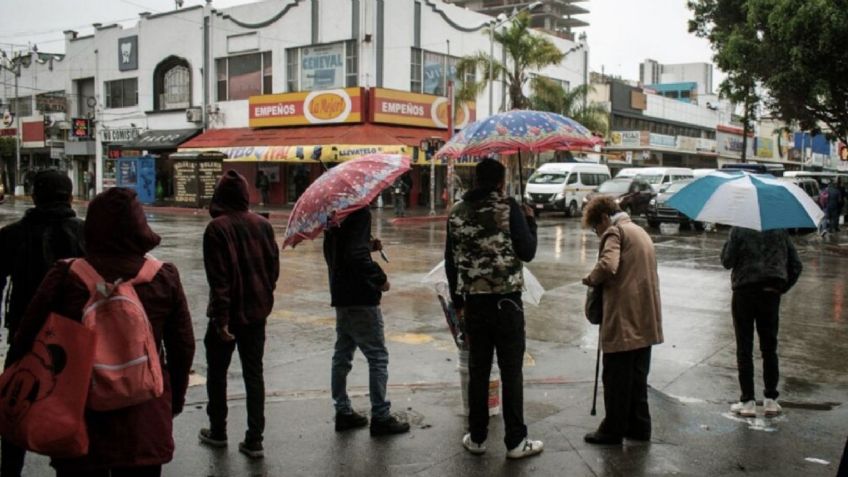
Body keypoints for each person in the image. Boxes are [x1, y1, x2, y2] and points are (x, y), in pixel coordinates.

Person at [8, 187, 195, 477]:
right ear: (139, 226)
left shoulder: (66, 276)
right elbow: (182, 346)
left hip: (79, 414)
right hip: (143, 415)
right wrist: (174, 398)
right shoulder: (163, 277)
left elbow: (25, 338)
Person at [445, 159, 543, 459]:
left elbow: (450, 263)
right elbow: (527, 252)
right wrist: (529, 221)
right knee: (511, 372)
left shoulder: (457, 212)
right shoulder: (508, 207)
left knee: (479, 371)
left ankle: (476, 438)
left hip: (474, 304)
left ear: (476, 180)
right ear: (500, 182)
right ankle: (515, 441)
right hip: (508, 304)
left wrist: (458, 304)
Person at [0, 170, 86, 477]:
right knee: (73, 407)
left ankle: (10, 469)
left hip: (25, 335)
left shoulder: (12, 235)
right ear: (69, 195)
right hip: (76, 339)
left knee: (15, 405)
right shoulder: (85, 233)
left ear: (35, 196)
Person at [198, 170, 279, 459]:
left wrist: (221, 320)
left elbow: (219, 281)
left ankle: (218, 431)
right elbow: (273, 271)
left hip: (228, 318)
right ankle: (254, 439)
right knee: (254, 375)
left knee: (217, 375)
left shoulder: (217, 229)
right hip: (257, 314)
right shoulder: (263, 225)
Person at [581, 196, 663, 445]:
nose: (598, 234)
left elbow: (608, 265)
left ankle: (612, 429)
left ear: (604, 218)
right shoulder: (639, 231)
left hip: (624, 317)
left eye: (596, 228)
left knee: (616, 376)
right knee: (637, 377)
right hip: (645, 316)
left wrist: (591, 278)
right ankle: (639, 426)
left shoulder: (614, 232)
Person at [323, 206, 410, 436]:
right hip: (361, 297)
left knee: (342, 355)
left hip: (340, 294)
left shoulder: (333, 214)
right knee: (378, 357)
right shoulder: (359, 211)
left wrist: (367, 245)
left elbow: (338, 252)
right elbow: (356, 256)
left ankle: (342, 411)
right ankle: (381, 416)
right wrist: (380, 279)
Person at [721, 226, 802, 417]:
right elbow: (796, 266)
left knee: (744, 347)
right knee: (769, 347)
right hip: (770, 294)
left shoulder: (738, 230)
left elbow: (727, 261)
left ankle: (747, 401)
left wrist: (728, 242)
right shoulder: (780, 230)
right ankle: (771, 400)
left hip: (744, 293)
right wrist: (781, 288)